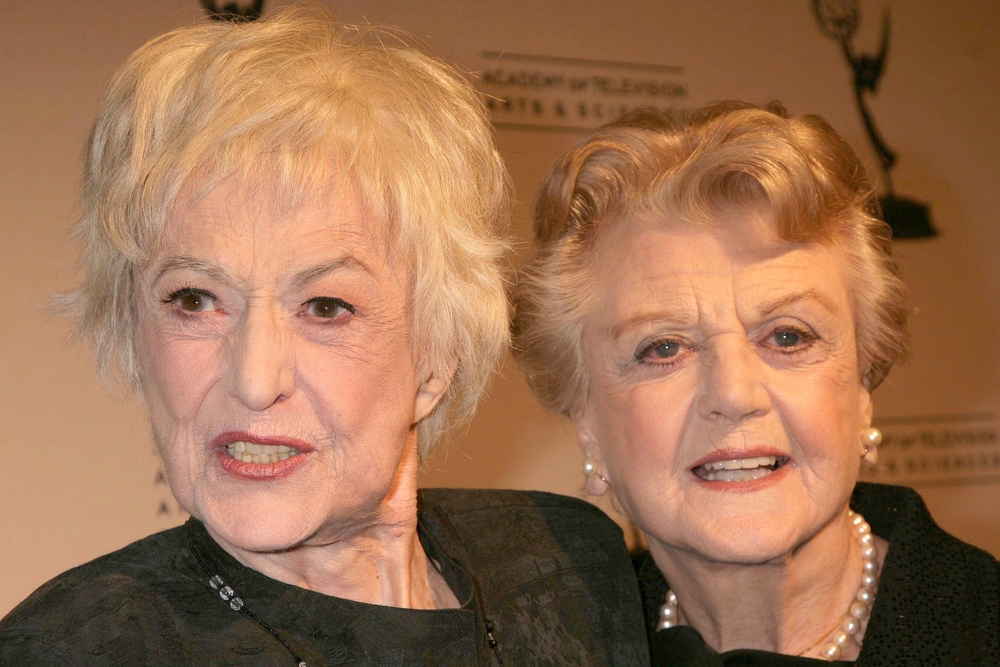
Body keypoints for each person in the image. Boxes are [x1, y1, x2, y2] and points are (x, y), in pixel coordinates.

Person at [0, 7, 650, 665]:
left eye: (325, 306)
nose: (255, 379)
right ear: (134, 327)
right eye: (195, 300)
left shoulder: (567, 563)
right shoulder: (73, 646)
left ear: (437, 355)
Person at [511, 102, 1000, 665]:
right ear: (586, 420)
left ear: (863, 385)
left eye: (788, 337)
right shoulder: (547, 648)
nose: (735, 395)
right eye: (663, 348)